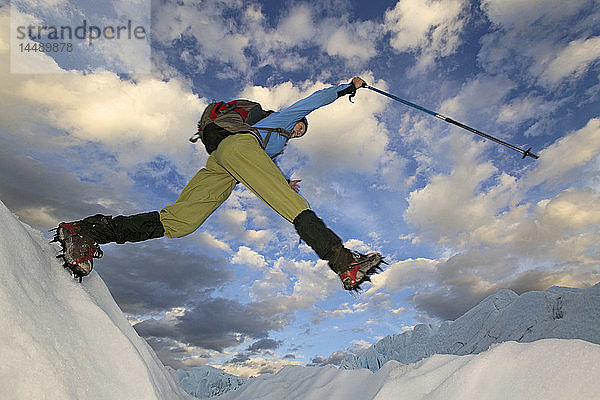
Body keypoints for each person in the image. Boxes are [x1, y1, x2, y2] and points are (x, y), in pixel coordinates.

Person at [55, 77, 383, 291]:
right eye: (299, 127)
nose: (298, 131)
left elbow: (262, 165)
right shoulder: (278, 120)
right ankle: (343, 261)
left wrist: (282, 179)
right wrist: (346, 88)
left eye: (300, 134)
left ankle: (88, 230)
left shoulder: (275, 146)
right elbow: (311, 101)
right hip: (237, 148)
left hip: (223, 164)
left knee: (180, 222)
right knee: (291, 205)